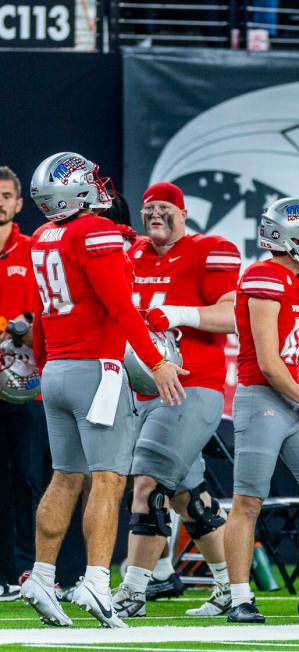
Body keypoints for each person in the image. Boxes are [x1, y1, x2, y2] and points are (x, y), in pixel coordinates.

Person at [20, 152, 186, 628]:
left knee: (65, 476)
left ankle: (41, 574)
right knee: (110, 478)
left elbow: (39, 315)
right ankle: (96, 581)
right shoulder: (94, 232)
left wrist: (47, 368)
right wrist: (156, 362)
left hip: (58, 371)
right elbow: (120, 308)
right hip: (97, 368)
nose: (99, 185)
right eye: (88, 180)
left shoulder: (44, 237)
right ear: (74, 191)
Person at [113, 182, 240, 618]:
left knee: (147, 483)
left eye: (164, 208)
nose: (154, 215)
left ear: (183, 214)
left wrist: (182, 313)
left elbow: (233, 314)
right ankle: (229, 586)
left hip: (192, 385)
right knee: (188, 494)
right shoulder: (133, 255)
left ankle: (134, 589)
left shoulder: (211, 249)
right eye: (148, 209)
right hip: (139, 387)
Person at [225, 197, 299, 624]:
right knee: (248, 502)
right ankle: (239, 597)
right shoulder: (264, 275)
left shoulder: (294, 281)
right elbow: (267, 362)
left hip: (289, 401)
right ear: (292, 237)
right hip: (264, 398)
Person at [0, 165, 38, 600]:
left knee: (28, 479)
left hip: (26, 385)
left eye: (7, 195)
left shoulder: (33, 251)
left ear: (19, 202)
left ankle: (30, 572)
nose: (1, 202)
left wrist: (20, 327)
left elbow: (40, 318)